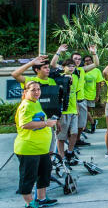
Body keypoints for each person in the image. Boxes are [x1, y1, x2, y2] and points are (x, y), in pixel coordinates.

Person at [15, 80, 59, 208]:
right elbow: (25, 124)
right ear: (25, 92)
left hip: (41, 149)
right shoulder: (26, 105)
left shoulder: (36, 103)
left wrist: (48, 121)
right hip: (28, 149)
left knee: (44, 174)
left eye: (38, 89)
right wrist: (46, 123)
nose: (36, 92)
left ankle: (42, 199)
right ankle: (30, 204)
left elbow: (39, 120)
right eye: (33, 90)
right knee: (28, 178)